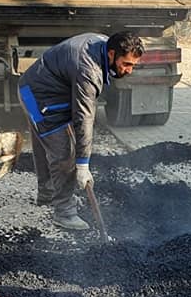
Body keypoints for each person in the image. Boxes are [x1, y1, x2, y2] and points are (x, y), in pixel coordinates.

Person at [17, 32, 143, 230]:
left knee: (46, 142)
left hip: (42, 88)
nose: (129, 70)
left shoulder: (103, 44)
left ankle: (47, 193)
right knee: (64, 154)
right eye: (126, 64)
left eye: (133, 65)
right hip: (35, 96)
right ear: (111, 54)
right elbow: (84, 117)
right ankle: (64, 212)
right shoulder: (88, 69)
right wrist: (82, 164)